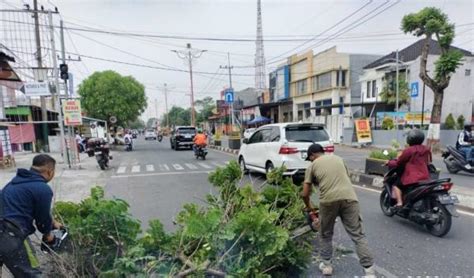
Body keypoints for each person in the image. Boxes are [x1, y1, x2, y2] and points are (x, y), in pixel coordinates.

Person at [302, 144, 375, 277]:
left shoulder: (312, 166)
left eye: (310, 158)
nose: (311, 160)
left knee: (326, 234)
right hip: (350, 198)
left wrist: (309, 207)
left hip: (328, 201)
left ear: (312, 155)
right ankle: (369, 271)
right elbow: (344, 178)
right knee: (358, 235)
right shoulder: (338, 159)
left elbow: (305, 193)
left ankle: (327, 265)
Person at [0, 154, 62, 277]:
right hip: (11, 235)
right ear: (50, 172)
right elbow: (42, 221)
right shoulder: (43, 188)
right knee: (31, 273)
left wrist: (53, 221)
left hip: (4, 228)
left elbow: (25, 206)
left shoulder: (14, 184)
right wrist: (48, 234)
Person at [387, 129, 432, 208]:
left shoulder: (409, 150)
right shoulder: (426, 149)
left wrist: (389, 162)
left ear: (410, 139)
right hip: (425, 176)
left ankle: (399, 203)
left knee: (396, 185)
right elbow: (428, 161)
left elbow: (399, 162)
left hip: (411, 177)